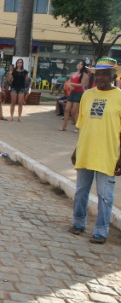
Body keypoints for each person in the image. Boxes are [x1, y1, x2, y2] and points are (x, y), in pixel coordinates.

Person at [68, 58, 121, 245]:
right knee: (81, 191)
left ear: (114, 76)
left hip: (108, 155)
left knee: (105, 196)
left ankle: (100, 231)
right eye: (97, 74)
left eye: (105, 74)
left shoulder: (119, 97)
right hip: (86, 151)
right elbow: (83, 125)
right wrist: (76, 150)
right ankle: (78, 222)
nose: (100, 77)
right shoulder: (87, 95)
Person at [60, 61, 90, 131]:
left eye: (81, 64)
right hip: (72, 92)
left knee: (74, 111)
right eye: (78, 63)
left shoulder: (84, 74)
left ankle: (77, 127)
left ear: (83, 66)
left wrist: (72, 84)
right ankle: (64, 126)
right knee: (67, 110)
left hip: (79, 93)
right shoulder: (73, 73)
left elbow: (82, 85)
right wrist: (70, 85)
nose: (79, 65)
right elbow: (69, 82)